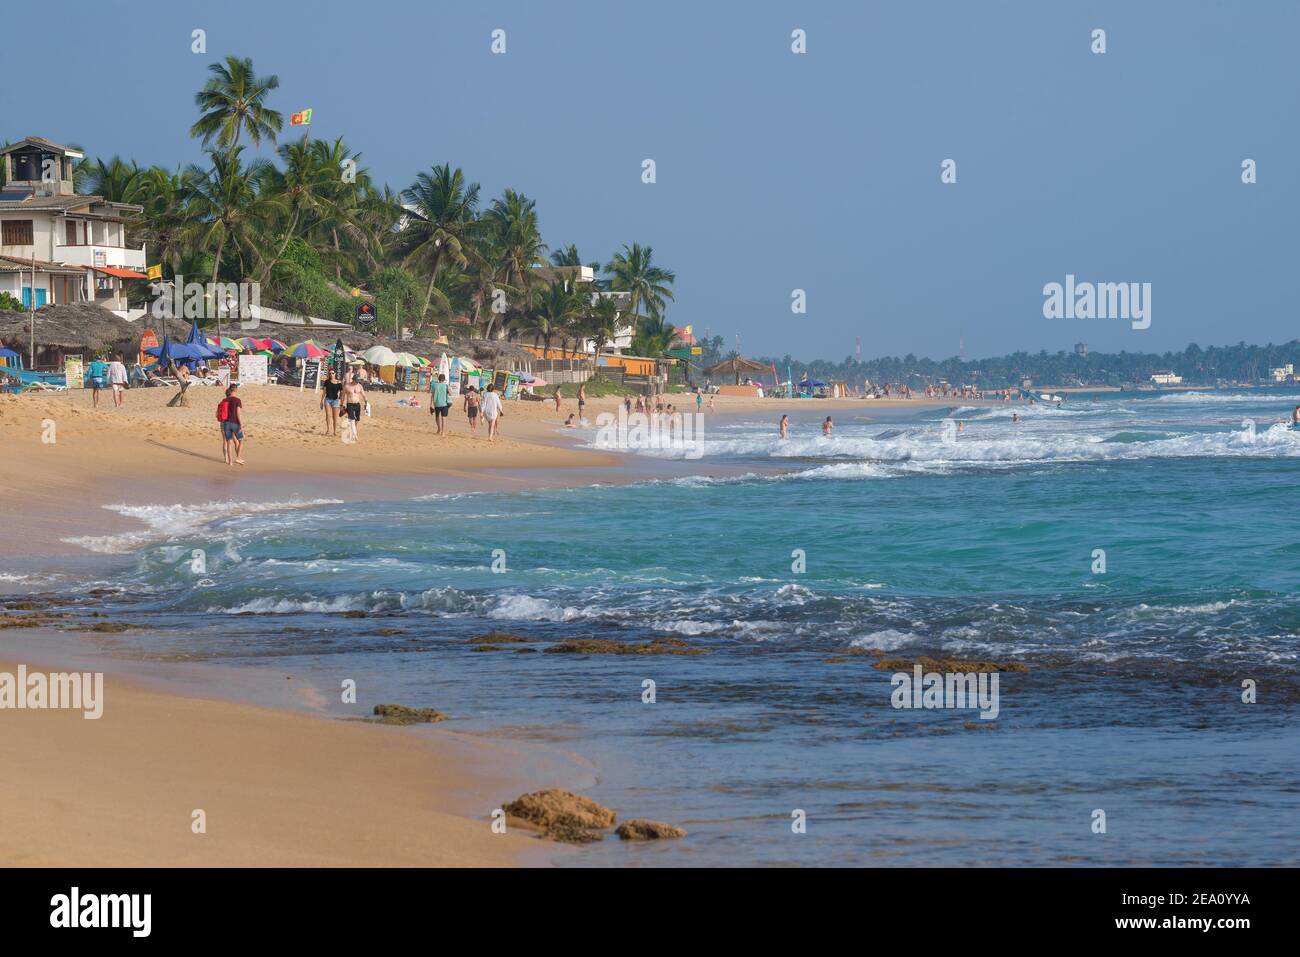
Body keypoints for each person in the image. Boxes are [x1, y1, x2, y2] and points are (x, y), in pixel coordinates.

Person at [217, 384, 245, 466]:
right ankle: (238, 458)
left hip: (226, 423)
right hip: (235, 423)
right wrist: (241, 424)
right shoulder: (237, 400)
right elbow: (238, 413)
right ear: (235, 390)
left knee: (229, 442)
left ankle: (230, 462)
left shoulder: (224, 400)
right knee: (241, 440)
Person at [342, 372, 366, 443]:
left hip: (357, 404)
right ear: (353, 380)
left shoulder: (359, 386)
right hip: (350, 404)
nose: (357, 382)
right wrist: (341, 405)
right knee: (352, 419)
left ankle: (353, 431)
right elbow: (343, 396)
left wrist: (366, 402)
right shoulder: (347, 386)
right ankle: (355, 435)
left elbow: (363, 394)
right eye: (356, 381)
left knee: (357, 419)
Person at [320, 370, 343, 436]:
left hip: (335, 400)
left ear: (335, 374)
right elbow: (324, 392)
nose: (331, 374)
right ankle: (328, 430)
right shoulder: (327, 382)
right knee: (328, 415)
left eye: (332, 373)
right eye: (330, 373)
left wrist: (341, 402)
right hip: (327, 400)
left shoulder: (339, 382)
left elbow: (342, 393)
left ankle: (335, 431)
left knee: (335, 417)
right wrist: (321, 401)